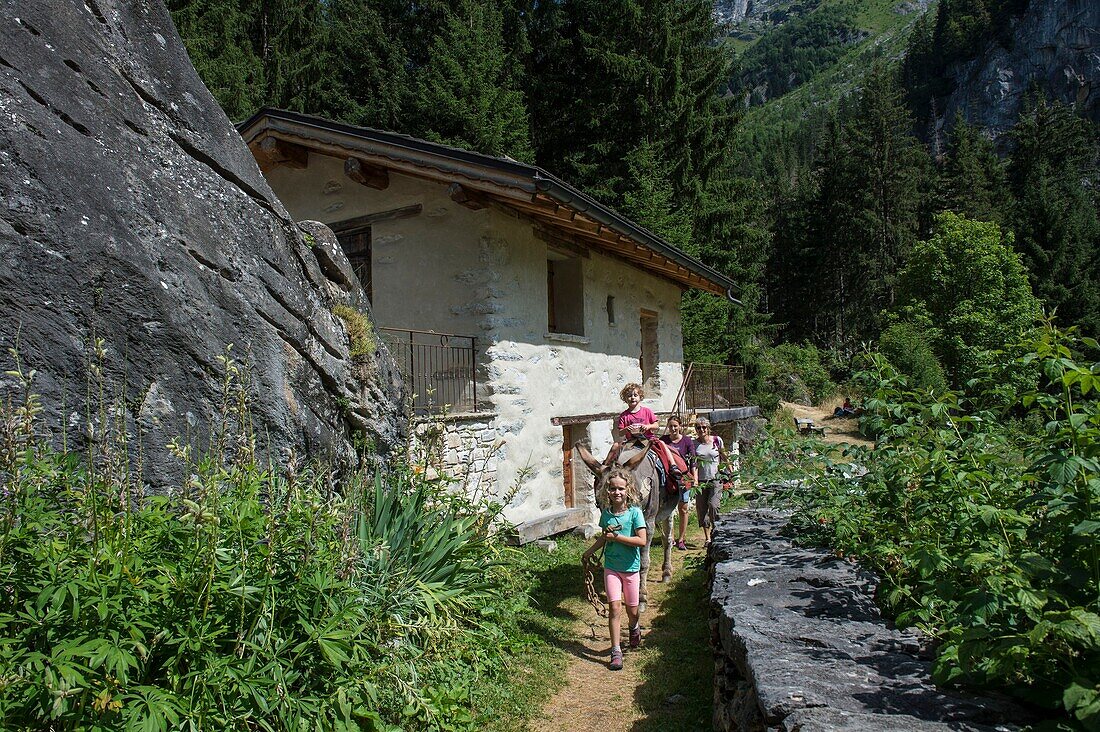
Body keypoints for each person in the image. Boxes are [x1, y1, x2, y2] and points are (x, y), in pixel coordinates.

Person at [581, 467, 648, 671]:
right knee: (615, 607)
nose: (616, 492)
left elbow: (642, 541)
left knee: (632, 610)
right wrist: (589, 552)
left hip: (631, 569)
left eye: (620, 488)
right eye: (612, 489)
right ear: (607, 491)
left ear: (628, 490)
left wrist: (618, 538)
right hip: (611, 568)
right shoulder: (607, 516)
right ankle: (616, 650)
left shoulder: (635, 513)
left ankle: (634, 627)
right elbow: (604, 537)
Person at [692, 418, 729, 547]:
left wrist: (730, 473)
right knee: (702, 510)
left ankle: (716, 530)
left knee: (713, 505)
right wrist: (695, 480)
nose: (701, 430)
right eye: (698, 427)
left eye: (703, 427)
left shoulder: (717, 441)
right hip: (701, 481)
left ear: (708, 428)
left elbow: (724, 457)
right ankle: (708, 538)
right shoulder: (694, 444)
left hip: (716, 479)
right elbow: (694, 463)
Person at [661, 416, 695, 550]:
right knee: (669, 509)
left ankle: (681, 539)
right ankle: (671, 538)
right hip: (669, 479)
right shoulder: (663, 440)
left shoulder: (686, 441)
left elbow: (693, 461)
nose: (673, 428)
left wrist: (695, 478)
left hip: (683, 478)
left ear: (680, 426)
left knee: (683, 509)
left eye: (675, 426)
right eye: (671, 426)